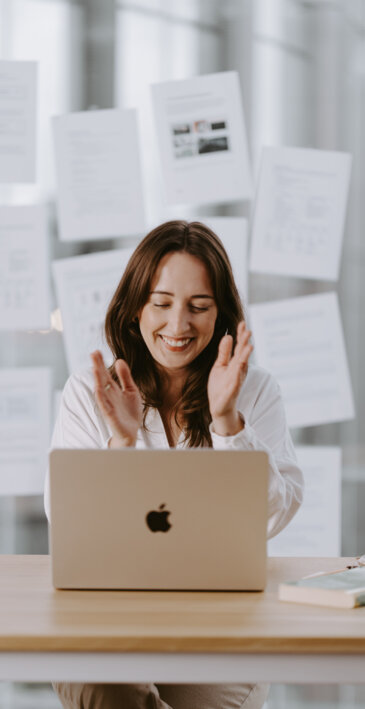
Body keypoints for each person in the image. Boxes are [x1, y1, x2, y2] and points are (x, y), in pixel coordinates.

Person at [46, 220, 303, 709]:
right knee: (109, 688)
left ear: (221, 313)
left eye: (199, 307)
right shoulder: (89, 390)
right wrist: (121, 443)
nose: (178, 325)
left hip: (218, 616)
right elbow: (70, 523)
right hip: (106, 613)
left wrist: (228, 422)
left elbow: (272, 516)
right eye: (161, 303)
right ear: (134, 308)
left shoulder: (255, 389)